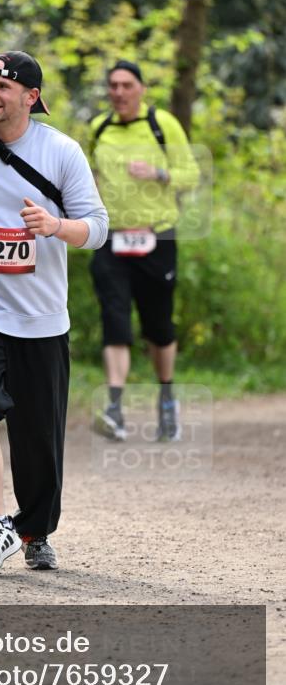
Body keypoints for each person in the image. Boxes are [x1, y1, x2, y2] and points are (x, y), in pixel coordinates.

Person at [0, 50, 108, 573]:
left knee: (38, 440)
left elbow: (96, 228)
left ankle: (35, 531)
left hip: (42, 317)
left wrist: (55, 226)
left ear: (31, 97)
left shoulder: (61, 151)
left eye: (3, 87)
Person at [88, 60, 199, 443]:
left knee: (158, 326)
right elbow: (93, 176)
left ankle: (167, 397)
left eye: (126, 85)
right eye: (113, 85)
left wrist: (158, 173)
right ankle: (115, 407)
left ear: (141, 88)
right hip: (111, 238)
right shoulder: (98, 128)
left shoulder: (162, 124)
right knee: (115, 320)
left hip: (157, 238)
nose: (118, 92)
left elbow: (191, 175)